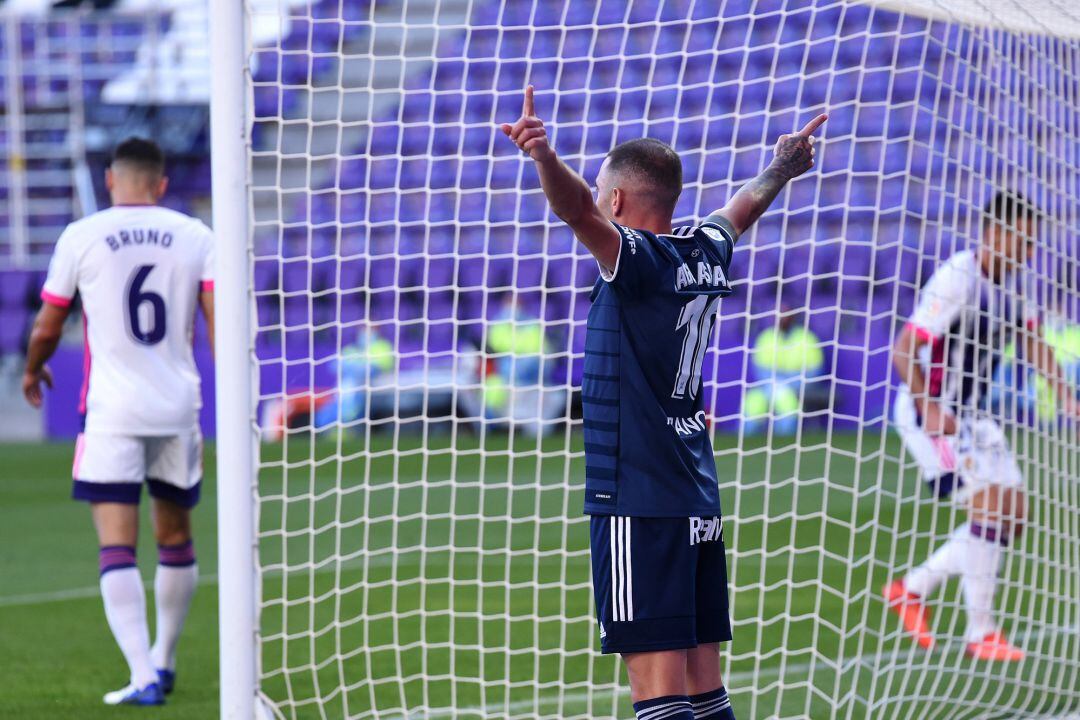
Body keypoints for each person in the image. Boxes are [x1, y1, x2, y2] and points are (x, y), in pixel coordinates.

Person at [501, 85, 825, 720]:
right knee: (705, 687)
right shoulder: (703, 250)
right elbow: (742, 208)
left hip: (638, 499)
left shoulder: (640, 258)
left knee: (658, 692)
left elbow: (574, 213)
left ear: (617, 199)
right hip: (694, 495)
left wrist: (544, 158)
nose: (597, 201)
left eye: (602, 192)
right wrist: (782, 167)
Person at [22, 137, 215, 705]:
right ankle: (165, 659)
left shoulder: (81, 236)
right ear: (160, 185)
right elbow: (219, 318)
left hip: (111, 411)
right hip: (179, 405)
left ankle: (141, 675)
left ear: (111, 180)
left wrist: (33, 371)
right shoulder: (196, 235)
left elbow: (48, 325)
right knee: (175, 535)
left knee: (117, 545)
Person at [885, 191, 1077, 661]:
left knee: (1014, 514)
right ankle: (980, 632)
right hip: (931, 415)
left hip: (972, 415)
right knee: (989, 509)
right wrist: (928, 407)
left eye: (1033, 243)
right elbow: (903, 349)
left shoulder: (1014, 283)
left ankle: (911, 589)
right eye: (1024, 241)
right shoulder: (958, 279)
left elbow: (1031, 340)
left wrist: (1067, 397)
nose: (1030, 251)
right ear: (996, 233)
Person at [743, 309, 825, 435]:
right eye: (781, 315)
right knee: (752, 402)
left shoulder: (806, 337)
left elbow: (815, 371)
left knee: (787, 402)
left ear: (794, 317)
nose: (784, 318)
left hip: (798, 387)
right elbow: (760, 370)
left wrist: (790, 384)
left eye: (787, 315)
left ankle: (782, 440)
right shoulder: (766, 337)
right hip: (768, 387)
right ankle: (746, 440)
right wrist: (777, 384)